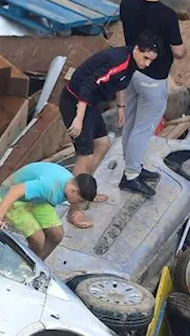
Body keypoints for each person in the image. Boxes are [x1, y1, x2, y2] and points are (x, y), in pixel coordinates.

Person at [58, 32, 163, 229]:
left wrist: (121, 107)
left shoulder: (131, 63)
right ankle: (75, 208)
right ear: (136, 49)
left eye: (151, 60)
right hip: (76, 101)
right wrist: (78, 118)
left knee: (103, 144)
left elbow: (120, 83)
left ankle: (87, 190)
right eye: (146, 57)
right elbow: (88, 86)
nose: (147, 64)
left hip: (91, 104)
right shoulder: (119, 60)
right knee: (84, 154)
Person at [117, 0, 185, 197]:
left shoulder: (126, 6)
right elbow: (178, 51)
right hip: (153, 78)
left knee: (132, 121)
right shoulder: (167, 15)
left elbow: (136, 9)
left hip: (131, 71)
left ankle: (132, 165)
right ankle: (132, 175)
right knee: (143, 128)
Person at [0, 162, 97, 258]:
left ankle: (38, 262)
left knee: (57, 235)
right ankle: (23, 266)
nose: (80, 204)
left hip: (39, 200)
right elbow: (14, 191)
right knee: (38, 240)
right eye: (81, 200)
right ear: (74, 191)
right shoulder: (48, 186)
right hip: (15, 200)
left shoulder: (68, 184)